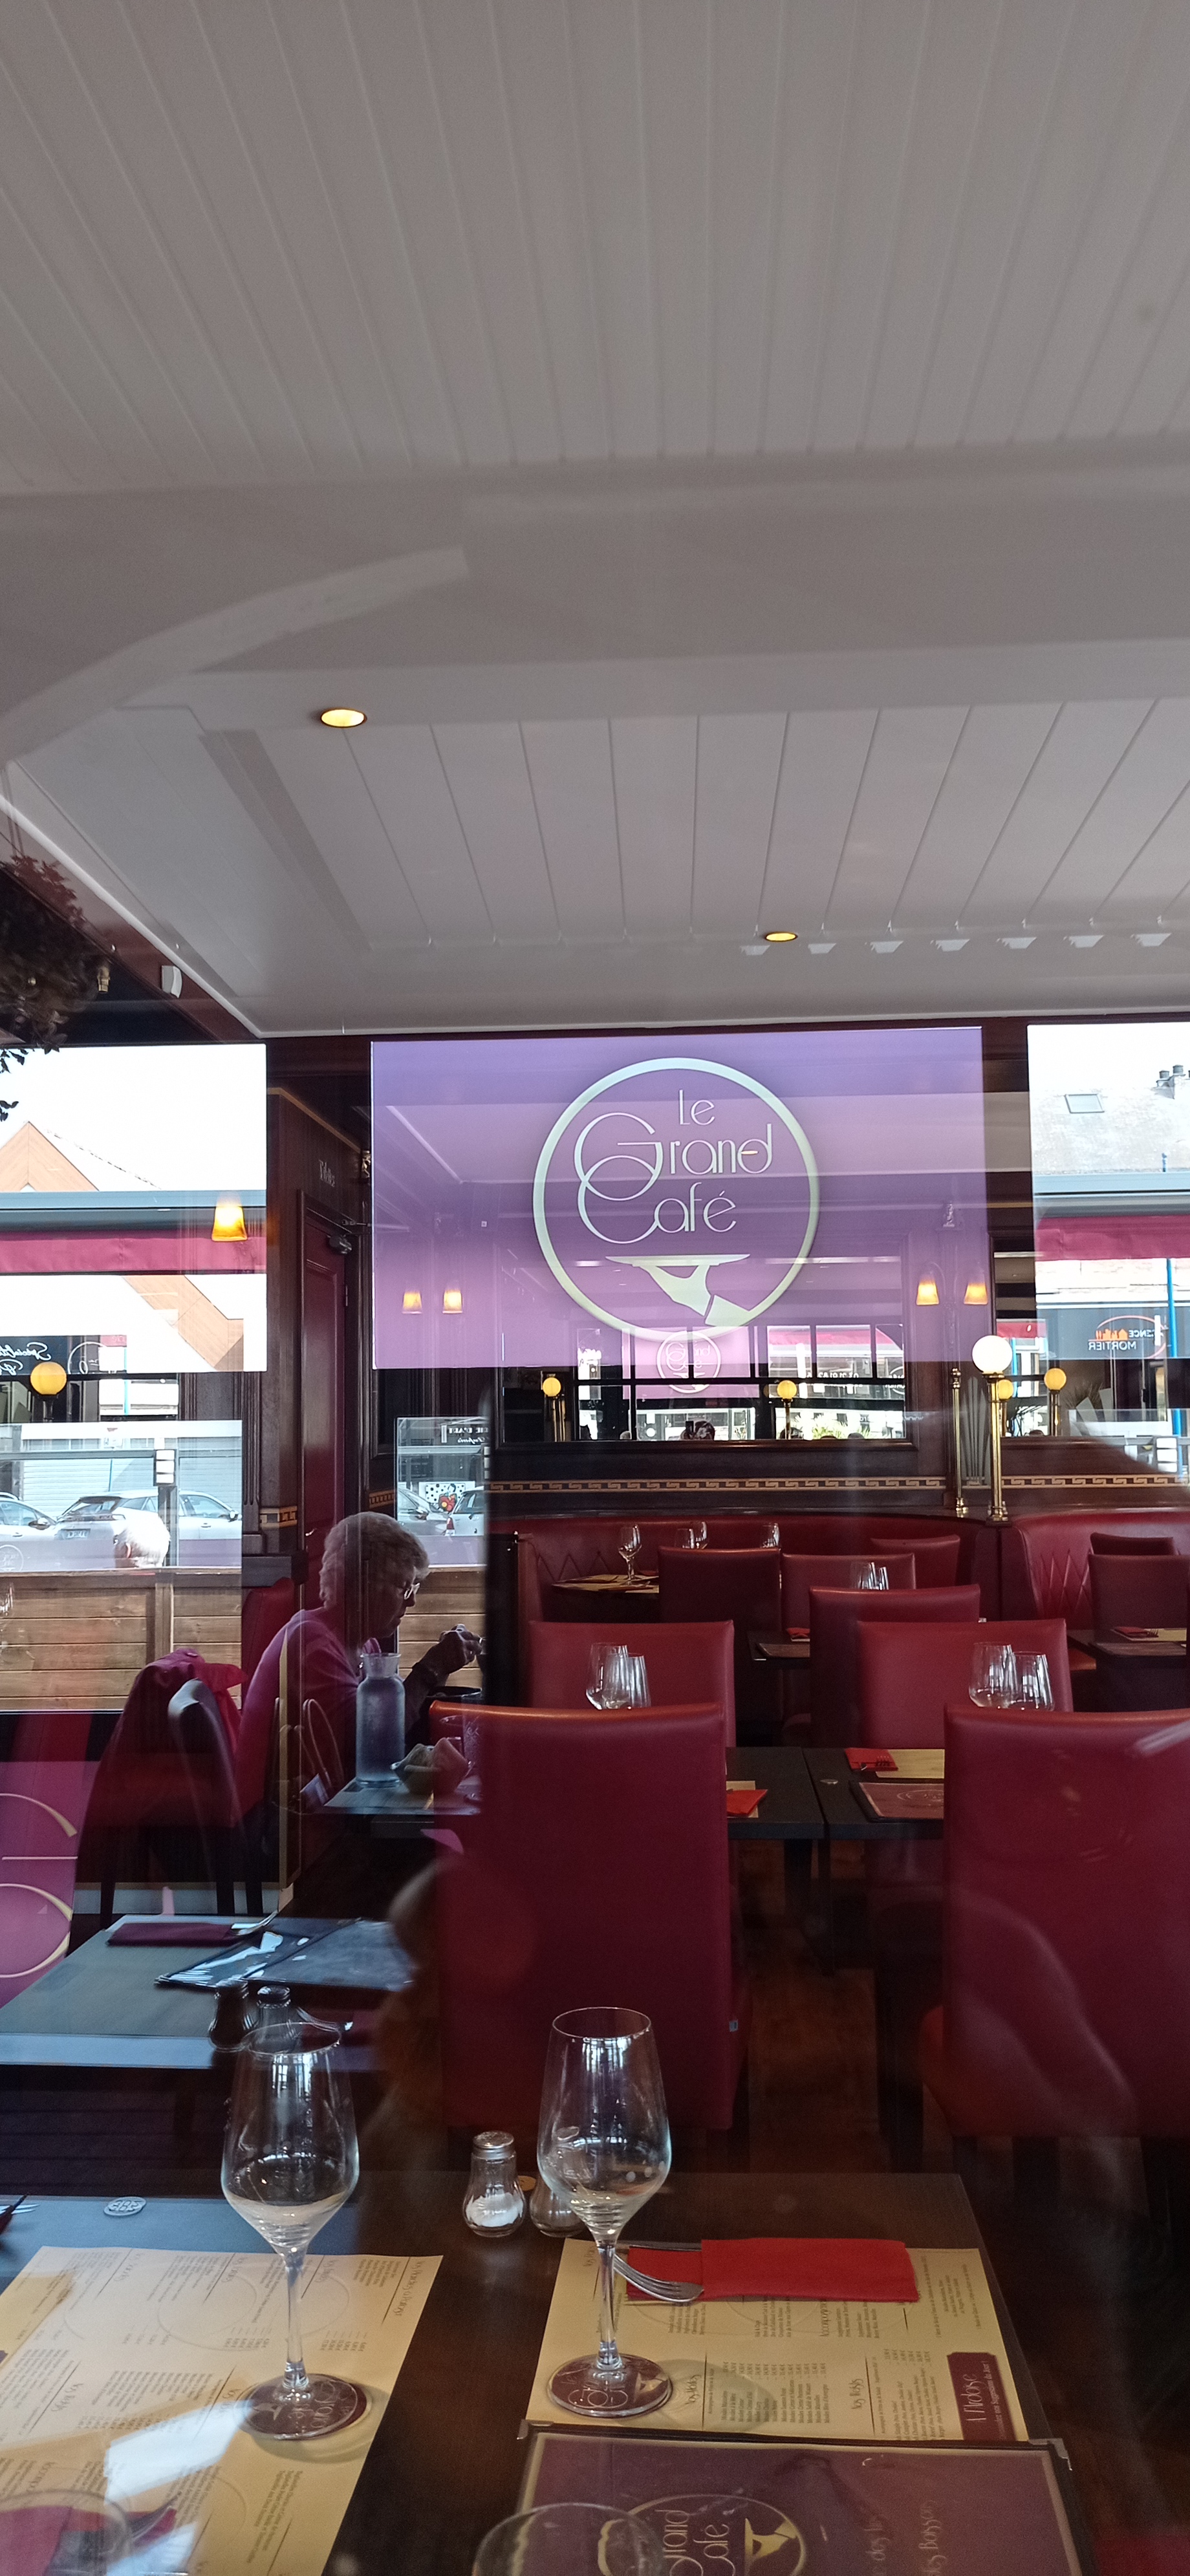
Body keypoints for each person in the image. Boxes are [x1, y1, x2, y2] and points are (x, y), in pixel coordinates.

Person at [237, 1512, 482, 1823]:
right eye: (405, 1588)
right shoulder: (312, 1643)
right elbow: (372, 1748)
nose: (411, 1603)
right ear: (363, 1585)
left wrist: (441, 1668)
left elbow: (398, 1733)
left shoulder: (366, 1646)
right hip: (273, 1823)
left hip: (319, 1807)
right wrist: (432, 1667)